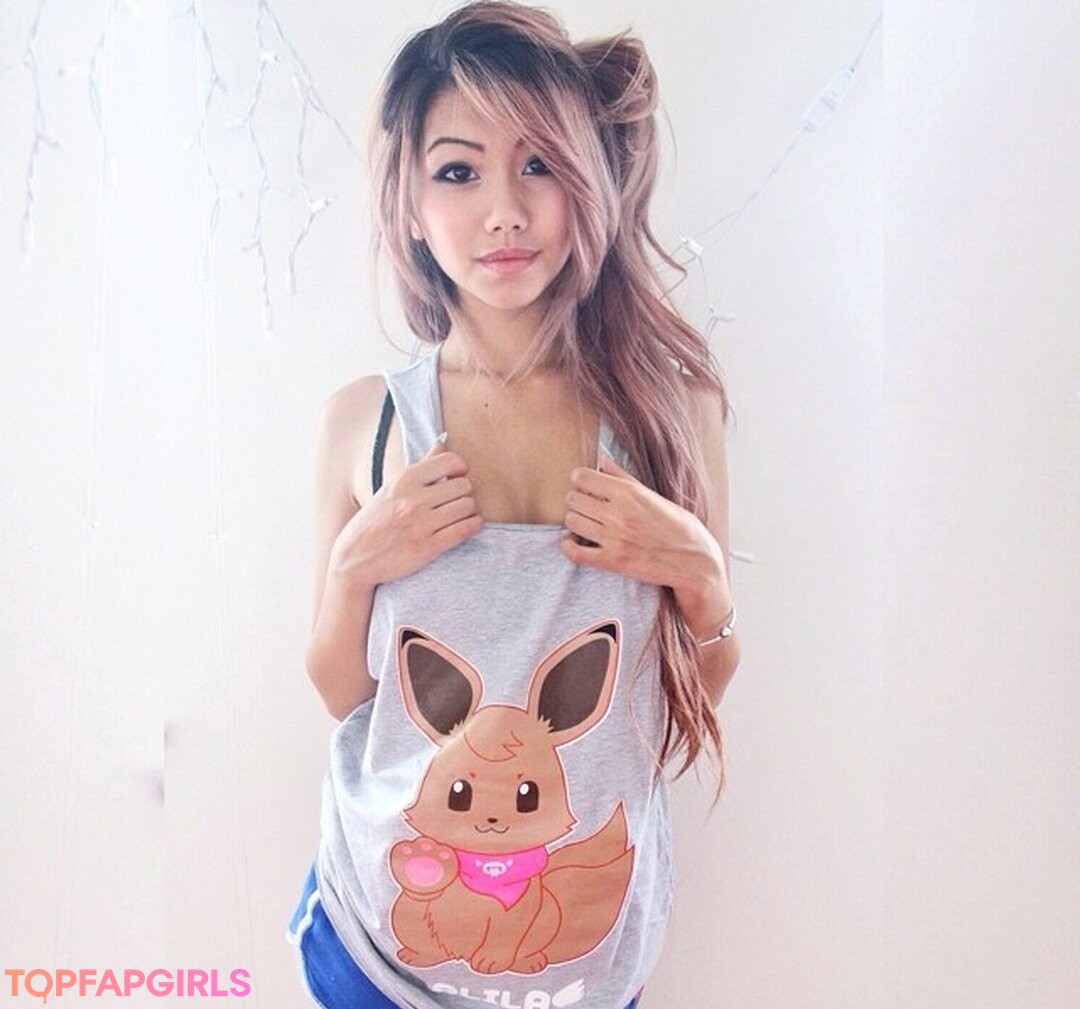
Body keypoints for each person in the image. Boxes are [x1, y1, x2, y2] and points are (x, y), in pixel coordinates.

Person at [286, 2, 741, 1006]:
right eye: (458, 172)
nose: (504, 211)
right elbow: (337, 688)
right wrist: (355, 568)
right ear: (410, 203)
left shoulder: (671, 412)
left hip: (587, 963)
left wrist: (702, 577)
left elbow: (695, 688)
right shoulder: (364, 422)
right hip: (371, 945)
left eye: (539, 164)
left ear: (589, 180)